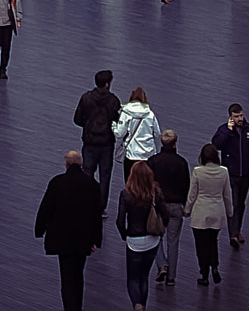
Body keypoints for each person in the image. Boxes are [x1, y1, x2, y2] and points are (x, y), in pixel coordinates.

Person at [34, 149, 104, 311]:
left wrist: (40, 230)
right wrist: (96, 239)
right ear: (81, 164)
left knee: (66, 277)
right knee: (78, 275)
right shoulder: (91, 185)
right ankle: (77, 306)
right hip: (83, 239)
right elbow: (96, 214)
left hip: (62, 238)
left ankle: (69, 307)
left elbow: (46, 208)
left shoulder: (57, 182)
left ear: (66, 164)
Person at [116, 160, 168, 310]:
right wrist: (160, 230)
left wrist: (125, 235)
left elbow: (120, 221)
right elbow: (165, 215)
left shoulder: (126, 194)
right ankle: (143, 305)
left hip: (134, 240)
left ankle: (137, 305)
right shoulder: (156, 193)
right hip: (152, 239)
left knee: (132, 278)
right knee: (144, 277)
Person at [183, 142, 232, 286]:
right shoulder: (224, 171)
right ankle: (215, 267)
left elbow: (192, 195)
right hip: (217, 211)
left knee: (201, 245)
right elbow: (227, 194)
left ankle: (204, 274)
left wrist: (187, 210)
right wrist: (229, 211)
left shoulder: (198, 172)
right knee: (213, 242)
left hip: (200, 212)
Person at [211, 102, 249, 248]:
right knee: (235, 203)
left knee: (241, 204)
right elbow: (216, 145)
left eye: (241, 116)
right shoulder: (224, 130)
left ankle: (237, 230)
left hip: (245, 174)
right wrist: (228, 131)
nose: (240, 119)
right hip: (230, 174)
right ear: (230, 117)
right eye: (236, 116)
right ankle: (233, 234)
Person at [73, 69, 121, 207]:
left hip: (89, 141)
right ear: (107, 84)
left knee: (87, 172)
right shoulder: (114, 100)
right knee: (105, 176)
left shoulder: (86, 98)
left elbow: (77, 119)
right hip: (106, 143)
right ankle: (101, 207)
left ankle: (86, 204)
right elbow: (118, 121)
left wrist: (87, 125)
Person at [150, 130, 190, 288]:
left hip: (159, 206)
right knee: (173, 241)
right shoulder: (182, 162)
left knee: (155, 237)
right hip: (176, 206)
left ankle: (161, 264)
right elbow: (186, 185)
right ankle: (171, 277)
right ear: (175, 143)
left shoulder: (153, 161)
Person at [113, 89, 161, 203]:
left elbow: (119, 133)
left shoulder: (126, 112)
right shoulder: (150, 114)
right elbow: (158, 133)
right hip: (148, 155)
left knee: (130, 185)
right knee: (147, 184)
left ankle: (130, 207)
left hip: (131, 154)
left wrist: (113, 126)